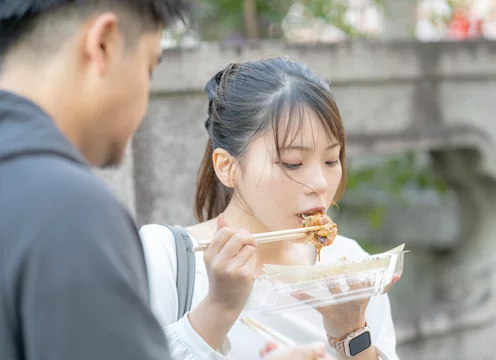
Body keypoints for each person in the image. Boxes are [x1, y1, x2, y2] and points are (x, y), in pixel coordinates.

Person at [0, 2, 332, 359]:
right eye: (148, 67)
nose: (319, 182)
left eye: (332, 159)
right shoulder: (72, 211)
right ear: (103, 45)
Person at [140, 58, 401, 360]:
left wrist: (352, 334)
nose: (320, 183)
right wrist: (219, 307)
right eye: (292, 163)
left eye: (331, 160)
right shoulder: (165, 258)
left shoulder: (349, 266)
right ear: (228, 167)